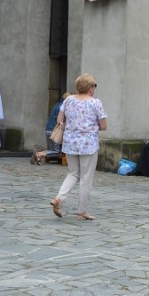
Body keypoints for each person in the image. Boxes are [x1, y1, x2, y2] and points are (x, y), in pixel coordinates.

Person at [50, 74, 107, 221]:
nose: (95, 88)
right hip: (88, 144)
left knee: (74, 173)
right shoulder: (95, 103)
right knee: (86, 178)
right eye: (94, 86)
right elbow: (103, 125)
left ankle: (59, 199)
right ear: (89, 87)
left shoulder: (69, 100)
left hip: (70, 142)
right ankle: (82, 212)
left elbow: (59, 119)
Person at [31, 92, 71, 164]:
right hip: (55, 131)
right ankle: (39, 154)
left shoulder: (57, 105)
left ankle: (38, 156)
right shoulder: (62, 107)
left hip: (48, 129)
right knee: (57, 152)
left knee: (52, 149)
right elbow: (60, 120)